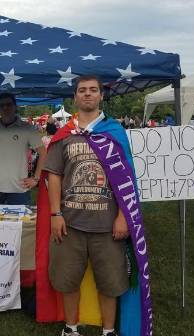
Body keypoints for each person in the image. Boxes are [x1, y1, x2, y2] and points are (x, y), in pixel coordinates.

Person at [43, 75, 132, 336]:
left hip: (107, 224)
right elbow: (54, 175)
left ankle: (108, 331)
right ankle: (71, 329)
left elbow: (127, 179)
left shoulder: (115, 132)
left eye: (93, 90)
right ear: (75, 97)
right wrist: (55, 213)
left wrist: (123, 216)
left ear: (101, 95)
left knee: (111, 282)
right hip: (70, 223)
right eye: (82, 90)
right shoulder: (64, 135)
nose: (88, 94)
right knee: (67, 279)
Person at [0, 93, 46, 205]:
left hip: (19, 190)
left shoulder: (27, 128)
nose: (5, 108)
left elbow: (43, 153)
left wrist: (36, 178)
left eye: (9, 104)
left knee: (20, 222)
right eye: (2, 105)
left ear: (15, 106)